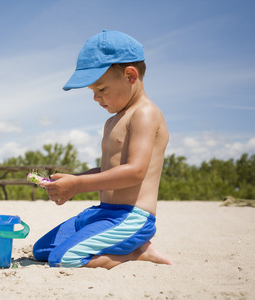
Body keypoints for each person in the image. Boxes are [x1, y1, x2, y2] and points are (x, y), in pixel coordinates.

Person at [33, 30, 173, 269]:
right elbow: (107, 169)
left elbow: (135, 172)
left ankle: (136, 253)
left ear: (130, 76)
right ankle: (130, 246)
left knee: (63, 259)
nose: (96, 98)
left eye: (101, 89)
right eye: (93, 92)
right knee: (42, 250)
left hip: (130, 218)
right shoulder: (112, 121)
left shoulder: (145, 113)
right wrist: (73, 180)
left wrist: (78, 186)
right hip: (104, 212)